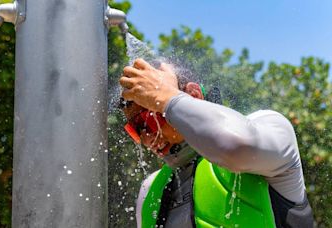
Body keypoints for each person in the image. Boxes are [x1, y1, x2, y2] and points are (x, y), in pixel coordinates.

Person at [119, 58, 314, 228]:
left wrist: (167, 97)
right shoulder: (150, 189)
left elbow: (236, 147)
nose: (146, 138)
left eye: (150, 118)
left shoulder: (272, 127)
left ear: (194, 95)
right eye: (137, 129)